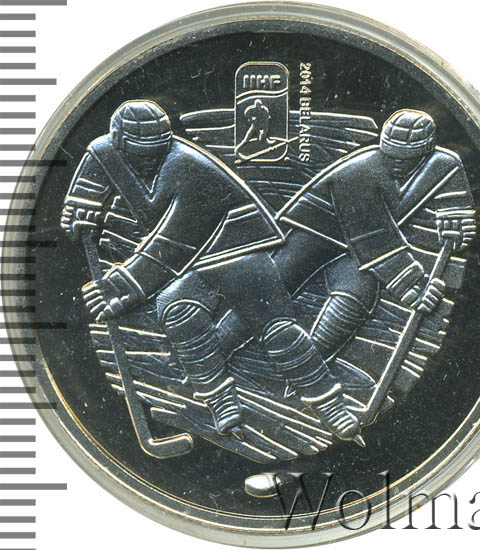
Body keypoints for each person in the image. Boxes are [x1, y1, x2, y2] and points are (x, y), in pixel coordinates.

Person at [61, 100, 363, 445]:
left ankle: (331, 406)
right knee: (177, 310)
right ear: (120, 141)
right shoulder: (104, 152)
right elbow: (84, 194)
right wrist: (80, 212)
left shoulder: (187, 168)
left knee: (274, 326)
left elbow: (172, 244)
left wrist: (122, 285)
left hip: (236, 244)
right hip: (195, 256)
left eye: (157, 150)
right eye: (139, 152)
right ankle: (221, 402)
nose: (148, 160)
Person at [276, 109, 476, 363]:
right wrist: (413, 285)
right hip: (316, 230)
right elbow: (374, 238)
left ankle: (307, 367)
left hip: (355, 249)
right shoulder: (359, 172)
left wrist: (455, 219)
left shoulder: (442, 165)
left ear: (424, 153)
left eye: (405, 158)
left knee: (355, 297)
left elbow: (454, 193)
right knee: (269, 291)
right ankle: (224, 348)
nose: (396, 163)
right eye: (390, 154)